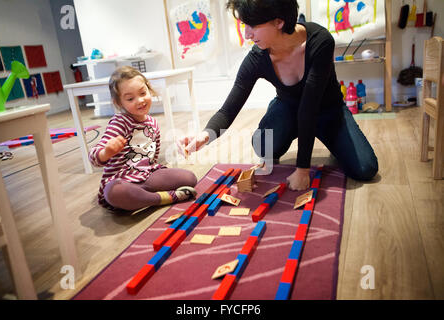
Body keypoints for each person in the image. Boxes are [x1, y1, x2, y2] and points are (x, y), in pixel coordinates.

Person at [178, 0, 378, 190]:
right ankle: (311, 137)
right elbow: (228, 109)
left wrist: (302, 169)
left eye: (252, 26)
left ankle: (333, 140)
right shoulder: (256, 58)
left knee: (365, 168)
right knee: (262, 146)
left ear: (279, 21)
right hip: (288, 110)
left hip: (328, 111)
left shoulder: (320, 41)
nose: (247, 34)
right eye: (244, 26)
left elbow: (309, 107)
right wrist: (204, 136)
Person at [89, 66, 198, 211]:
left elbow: (153, 158)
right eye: (130, 98)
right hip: (123, 180)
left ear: (149, 90)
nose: (140, 100)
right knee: (114, 192)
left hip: (147, 175)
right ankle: (164, 198)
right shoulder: (119, 122)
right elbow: (93, 156)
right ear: (119, 103)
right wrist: (106, 152)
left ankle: (144, 196)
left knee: (189, 178)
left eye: (143, 93)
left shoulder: (153, 123)